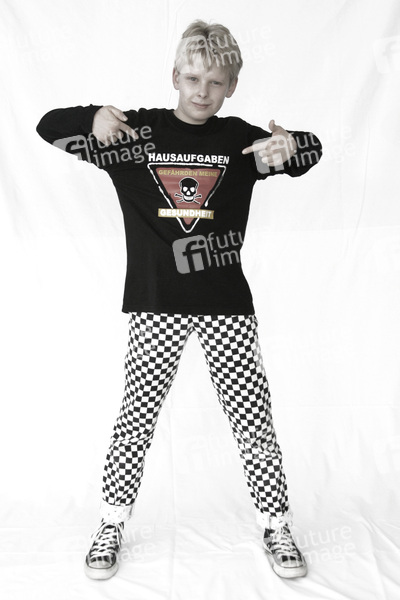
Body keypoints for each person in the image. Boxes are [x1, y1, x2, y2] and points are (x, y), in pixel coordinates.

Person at [36, 19, 322, 581]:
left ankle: (276, 524)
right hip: (155, 304)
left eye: (215, 82)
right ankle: (111, 522)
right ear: (174, 76)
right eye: (192, 78)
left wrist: (291, 143)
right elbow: (48, 125)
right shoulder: (132, 137)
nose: (201, 92)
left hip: (226, 306)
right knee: (135, 419)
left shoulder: (240, 142)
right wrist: (92, 118)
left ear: (232, 86)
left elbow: (311, 152)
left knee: (253, 420)